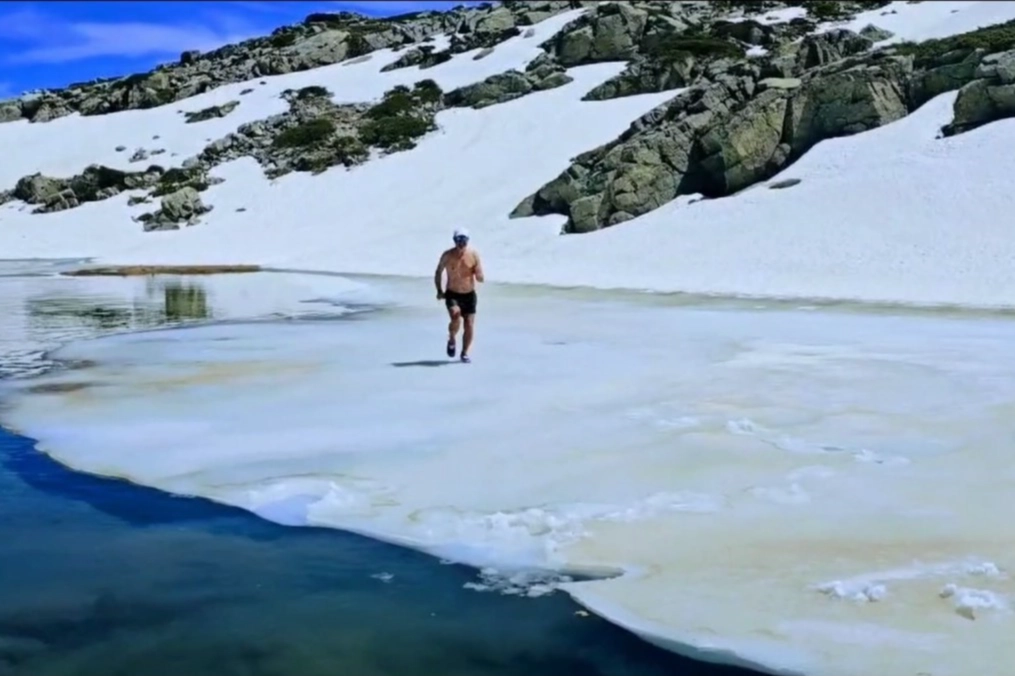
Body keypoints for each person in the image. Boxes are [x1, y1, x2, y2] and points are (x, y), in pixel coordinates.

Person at [434, 228, 484, 362]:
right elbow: (438, 272)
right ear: (454, 241)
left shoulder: (473, 254)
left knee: (469, 324)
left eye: (464, 240)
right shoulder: (447, 255)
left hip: (469, 295)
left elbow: (480, 274)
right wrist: (439, 290)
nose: (461, 243)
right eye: (458, 240)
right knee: (456, 316)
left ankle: (464, 352)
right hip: (453, 294)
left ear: (467, 241)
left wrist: (479, 276)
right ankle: (451, 338)